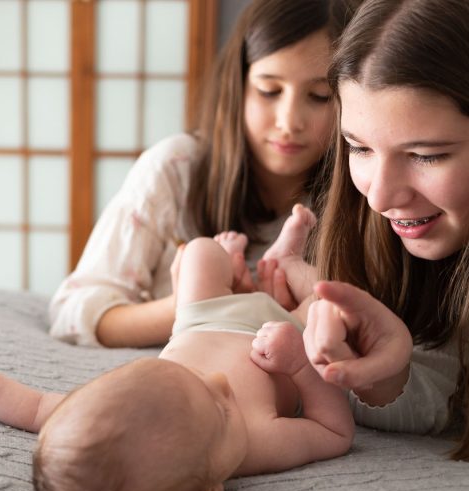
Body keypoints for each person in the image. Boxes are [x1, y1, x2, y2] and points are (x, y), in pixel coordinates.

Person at [0, 206, 353, 491]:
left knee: (200, 253)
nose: (219, 382)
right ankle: (286, 264)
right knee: (331, 304)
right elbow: (334, 432)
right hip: (283, 334)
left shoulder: (100, 417)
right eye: (222, 413)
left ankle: (245, 272)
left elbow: (31, 409)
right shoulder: (259, 446)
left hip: (204, 318)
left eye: (190, 377)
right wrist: (298, 362)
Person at [263, 0, 469, 469]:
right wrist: (382, 369)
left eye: (426, 155)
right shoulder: (435, 235)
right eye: (358, 147)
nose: (379, 197)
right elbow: (448, 392)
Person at [48, 0, 361, 348]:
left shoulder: (363, 188)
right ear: (238, 85)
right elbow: (72, 313)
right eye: (269, 91)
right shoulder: (175, 169)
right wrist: (195, 302)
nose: (288, 122)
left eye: (319, 96)